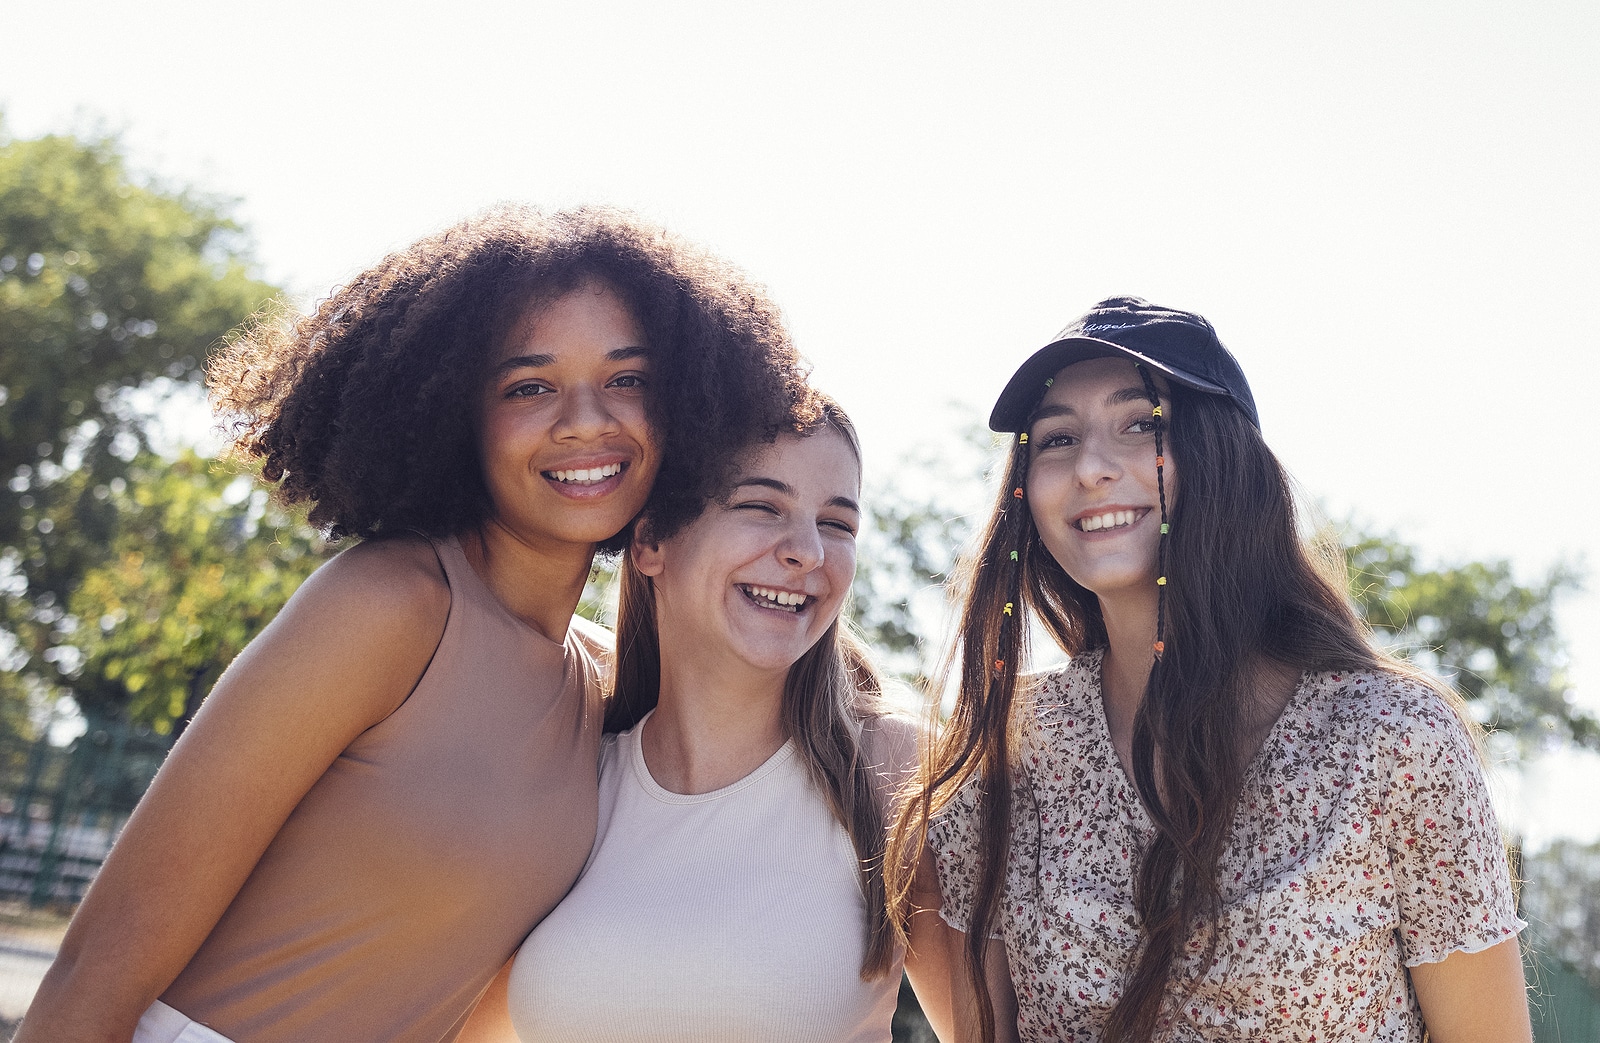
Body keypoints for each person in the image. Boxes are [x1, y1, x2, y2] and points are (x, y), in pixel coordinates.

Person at [19, 205, 811, 1043]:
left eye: (627, 379)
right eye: (529, 386)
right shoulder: (392, 605)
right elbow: (97, 960)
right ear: (450, 412)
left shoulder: (606, 684)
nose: (586, 419)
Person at [886, 297, 1530, 1042]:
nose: (1092, 467)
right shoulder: (1011, 753)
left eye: (1142, 424)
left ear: (1221, 454)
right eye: (1057, 438)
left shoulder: (1393, 741)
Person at [459, 398, 953, 1043]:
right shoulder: (568, 776)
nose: (807, 551)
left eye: (837, 523)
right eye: (760, 506)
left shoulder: (896, 771)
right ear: (651, 541)